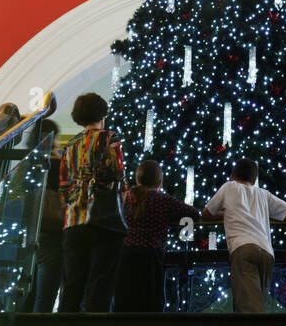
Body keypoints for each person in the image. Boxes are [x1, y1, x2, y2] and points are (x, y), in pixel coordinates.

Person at [59, 93, 127, 313]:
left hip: (74, 222)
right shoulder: (109, 138)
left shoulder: (70, 144)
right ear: (103, 113)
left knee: (72, 284)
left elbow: (63, 186)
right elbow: (118, 175)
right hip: (104, 219)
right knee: (100, 283)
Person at [202, 158, 286, 313]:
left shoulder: (229, 187)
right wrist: (263, 215)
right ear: (254, 180)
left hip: (243, 248)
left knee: (249, 310)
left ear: (232, 175)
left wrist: (226, 214)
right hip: (267, 253)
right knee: (258, 302)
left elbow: (206, 213)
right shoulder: (263, 194)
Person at [114, 159, 201, 313]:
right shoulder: (163, 199)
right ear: (159, 180)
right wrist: (170, 218)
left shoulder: (126, 197)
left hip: (126, 255)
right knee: (150, 303)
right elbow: (194, 214)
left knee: (125, 301)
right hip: (151, 257)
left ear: (137, 178)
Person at [32, 118, 66, 313]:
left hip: (33, 231)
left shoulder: (29, 163)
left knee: (29, 288)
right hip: (53, 232)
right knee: (47, 292)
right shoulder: (57, 163)